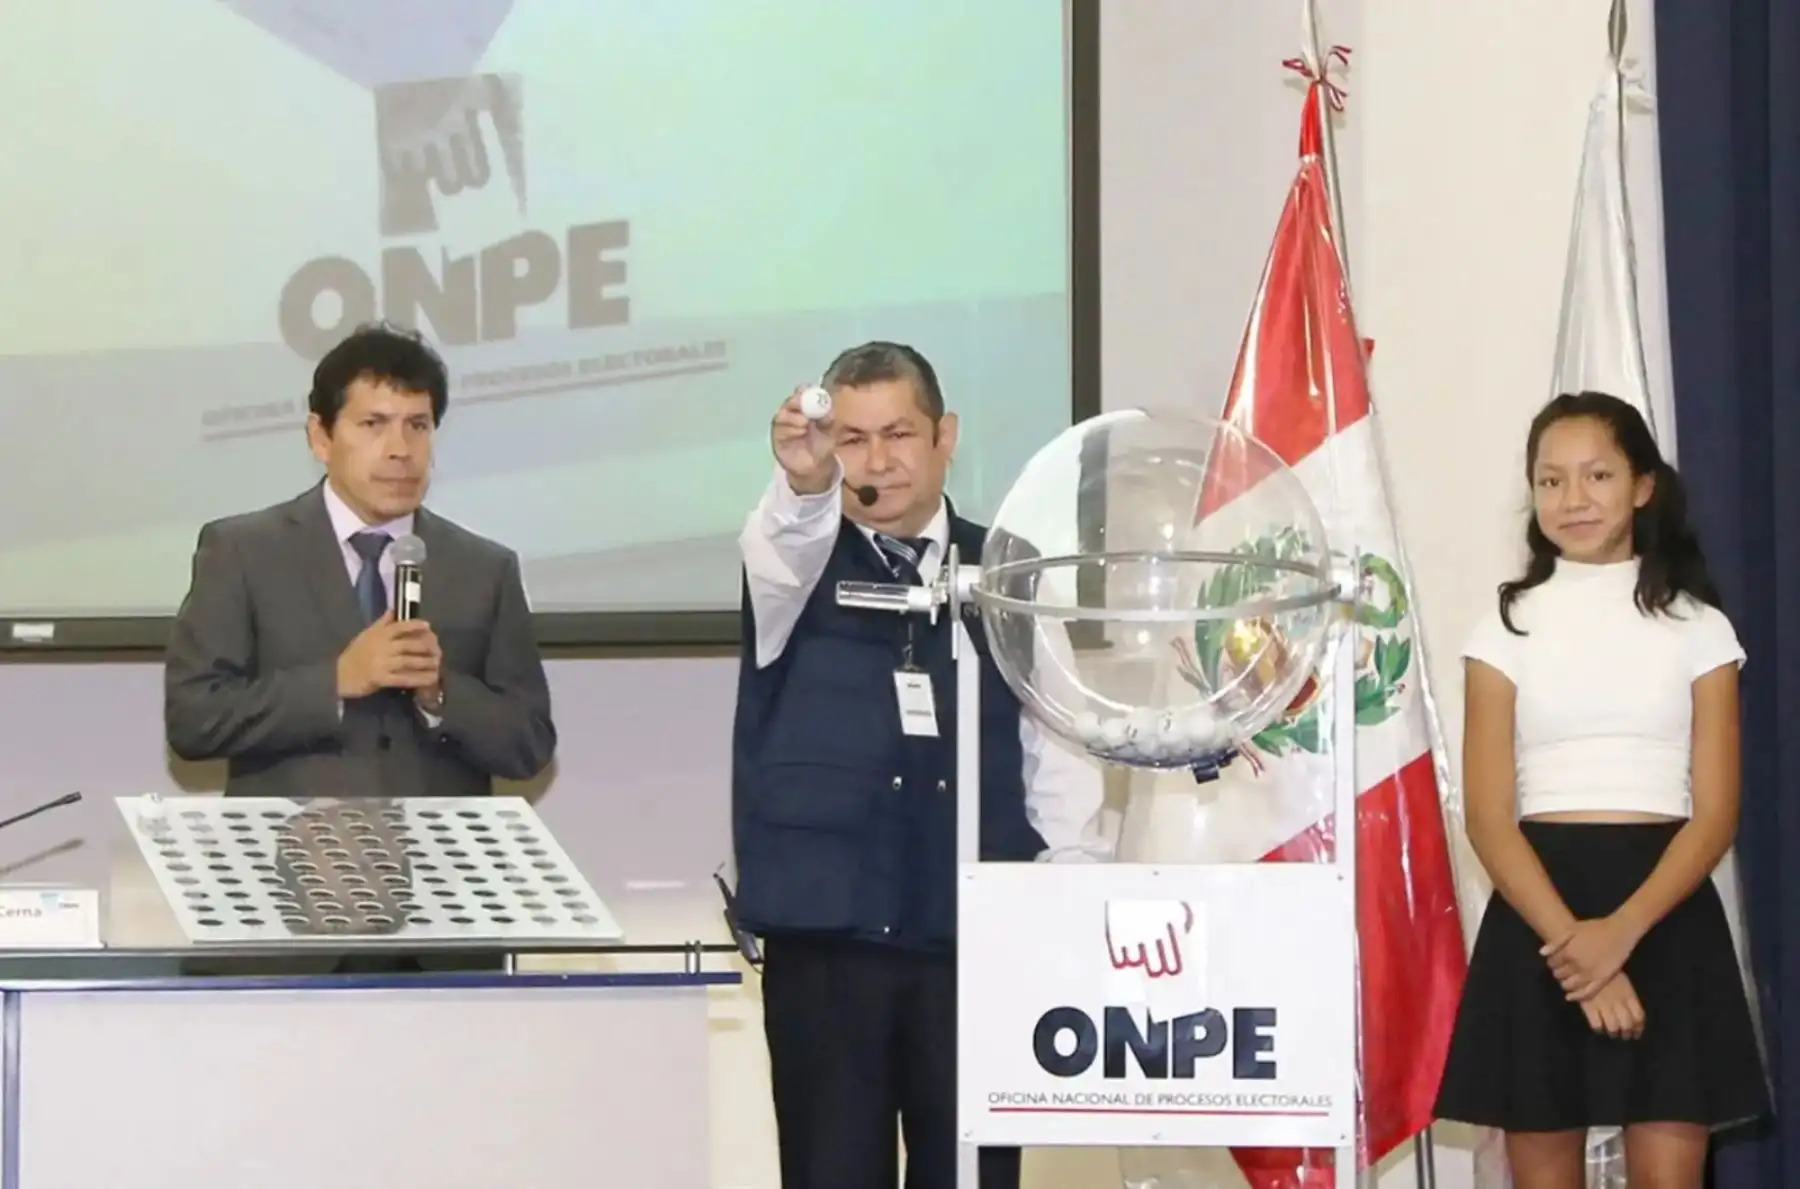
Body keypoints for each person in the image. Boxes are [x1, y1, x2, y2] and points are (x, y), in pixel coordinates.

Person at [731, 341, 1109, 1189]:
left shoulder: (1012, 572)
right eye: (852, 439)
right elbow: (787, 532)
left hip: (974, 940)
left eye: (898, 434)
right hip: (828, 946)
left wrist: (1070, 899)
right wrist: (804, 483)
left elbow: (1059, 745)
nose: (877, 462)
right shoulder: (792, 561)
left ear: (946, 436)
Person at [1433, 392, 1768, 1188]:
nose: (1573, 498)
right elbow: (1489, 817)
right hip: (1539, 916)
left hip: (1665, 911)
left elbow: (1715, 813)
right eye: (1551, 481)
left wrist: (1620, 934)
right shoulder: (1505, 627)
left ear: (1643, 486)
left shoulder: (1701, 628)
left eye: (1598, 475)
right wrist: (1577, 948)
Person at [164, 321, 556, 800]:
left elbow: (530, 744)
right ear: (320, 437)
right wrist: (336, 681)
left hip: (434, 848)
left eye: (418, 426)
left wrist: (440, 693)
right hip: (289, 845)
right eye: (373, 425)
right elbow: (193, 719)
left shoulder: (484, 569)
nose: (400, 450)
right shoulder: (244, 552)